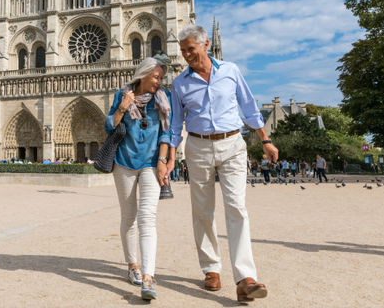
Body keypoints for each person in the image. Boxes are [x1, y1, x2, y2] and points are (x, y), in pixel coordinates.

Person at [169, 25, 277, 302]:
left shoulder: (230, 70)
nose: (186, 55)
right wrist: (169, 156)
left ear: (205, 45)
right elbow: (174, 124)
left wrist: (265, 140)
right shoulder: (180, 83)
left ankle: (245, 277)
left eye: (190, 49)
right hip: (197, 145)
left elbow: (249, 106)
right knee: (202, 211)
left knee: (237, 208)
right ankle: (211, 268)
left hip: (232, 144)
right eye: (182, 51)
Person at [105, 57, 173, 301]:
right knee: (129, 217)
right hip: (124, 163)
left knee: (148, 218)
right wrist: (124, 106)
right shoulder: (122, 94)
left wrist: (163, 162)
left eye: (161, 78)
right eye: (156, 77)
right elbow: (109, 126)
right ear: (142, 75)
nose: (159, 81)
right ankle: (132, 265)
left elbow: (167, 133)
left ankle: (148, 276)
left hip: (151, 164)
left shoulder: (163, 99)